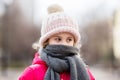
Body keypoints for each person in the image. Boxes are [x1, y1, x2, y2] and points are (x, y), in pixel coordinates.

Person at [19, 4, 95, 80]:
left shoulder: (84, 72)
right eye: (58, 39)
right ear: (47, 41)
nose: (64, 44)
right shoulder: (32, 73)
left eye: (69, 40)